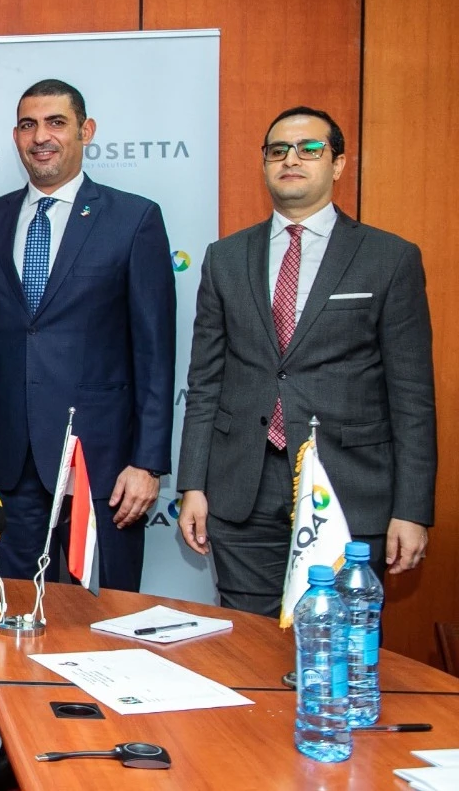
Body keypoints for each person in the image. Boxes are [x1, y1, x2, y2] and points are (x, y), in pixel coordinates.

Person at [177, 106, 435, 616]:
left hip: (348, 490)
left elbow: (412, 397)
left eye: (309, 149)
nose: (291, 159)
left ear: (337, 164)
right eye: (278, 150)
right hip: (243, 489)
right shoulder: (225, 257)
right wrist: (193, 485)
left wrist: (411, 509)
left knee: (338, 652)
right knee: (245, 650)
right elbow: (205, 382)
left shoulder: (388, 258)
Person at [0, 78, 175, 593]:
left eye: (56, 123)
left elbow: (155, 355)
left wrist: (147, 462)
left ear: (85, 131)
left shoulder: (134, 219)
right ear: (14, 136)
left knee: (102, 617)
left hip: (101, 464)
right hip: (8, 467)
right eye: (28, 125)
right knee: (17, 614)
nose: (40, 137)